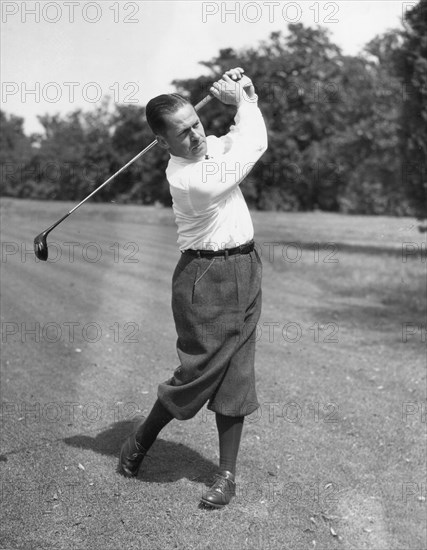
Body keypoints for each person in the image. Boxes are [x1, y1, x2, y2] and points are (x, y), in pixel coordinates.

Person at [119, 67, 268, 509]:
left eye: (197, 123)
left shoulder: (210, 149)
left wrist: (246, 96)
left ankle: (226, 476)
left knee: (238, 374)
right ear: (163, 144)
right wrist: (245, 105)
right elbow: (253, 144)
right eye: (183, 133)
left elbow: (238, 136)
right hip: (205, 278)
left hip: (246, 265)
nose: (197, 135)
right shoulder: (188, 180)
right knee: (197, 373)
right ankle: (140, 440)